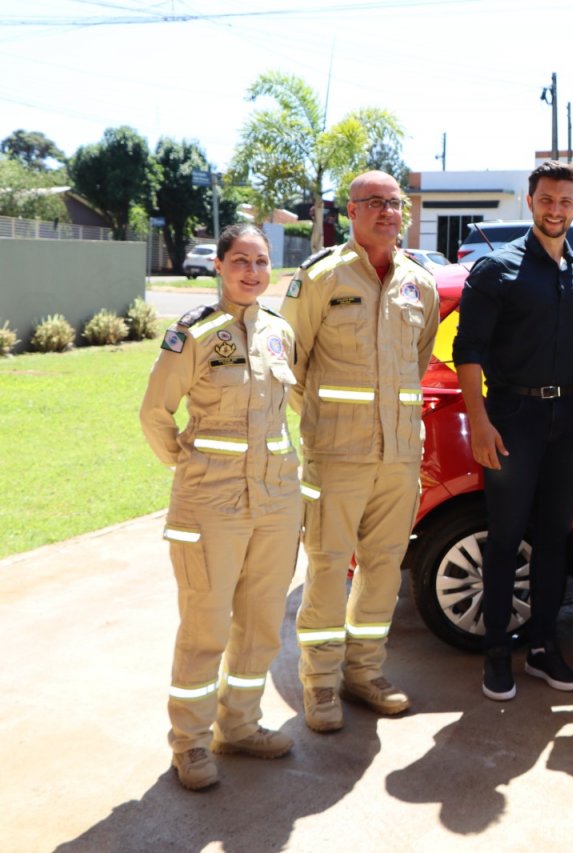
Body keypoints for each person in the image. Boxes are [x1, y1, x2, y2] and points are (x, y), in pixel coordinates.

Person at [140, 223, 303, 790]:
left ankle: (240, 725)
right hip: (212, 504)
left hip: (275, 502)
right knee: (205, 625)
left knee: (261, 623)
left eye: (261, 262)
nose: (252, 272)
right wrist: (191, 468)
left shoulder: (279, 332)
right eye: (241, 261)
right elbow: (155, 414)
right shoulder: (193, 334)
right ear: (220, 265)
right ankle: (190, 742)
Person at [282, 170, 439, 731]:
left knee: (383, 568)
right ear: (350, 212)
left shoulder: (419, 282)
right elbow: (290, 363)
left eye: (394, 203)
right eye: (374, 202)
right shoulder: (321, 277)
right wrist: (329, 424)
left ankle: (365, 672)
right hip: (337, 454)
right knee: (328, 567)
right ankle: (321, 683)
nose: (387, 212)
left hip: (399, 456)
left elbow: (419, 360)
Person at [453, 160, 573, 701]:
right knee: (506, 536)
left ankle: (543, 646)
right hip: (513, 419)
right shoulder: (496, 269)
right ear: (531, 201)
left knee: (556, 538)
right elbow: (467, 350)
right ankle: (497, 652)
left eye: (565, 201)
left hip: (570, 421)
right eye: (546, 199)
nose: (555, 210)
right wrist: (480, 423)